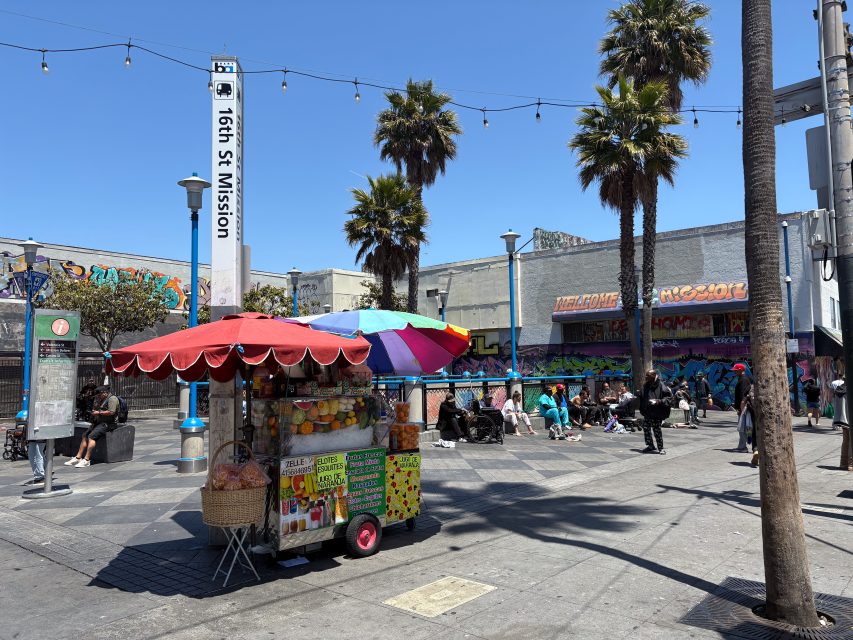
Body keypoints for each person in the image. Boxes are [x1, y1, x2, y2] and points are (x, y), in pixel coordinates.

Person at [65, 386, 120, 468]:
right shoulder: (101, 399)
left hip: (108, 424)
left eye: (99, 395)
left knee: (91, 437)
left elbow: (111, 412)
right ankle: (78, 458)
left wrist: (98, 413)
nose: (98, 396)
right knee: (85, 435)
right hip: (99, 422)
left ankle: (87, 460)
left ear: (104, 393)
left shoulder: (112, 399)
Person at [640, 369, 672, 454]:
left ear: (653, 376)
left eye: (648, 376)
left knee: (656, 429)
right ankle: (650, 445)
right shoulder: (646, 385)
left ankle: (660, 448)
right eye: (646, 375)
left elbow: (668, 399)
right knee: (646, 428)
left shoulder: (661, 385)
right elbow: (643, 396)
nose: (646, 377)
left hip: (657, 412)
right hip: (648, 411)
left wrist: (658, 401)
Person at [830, 378, 852, 470]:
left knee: (846, 441)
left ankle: (843, 463)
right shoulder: (849, 390)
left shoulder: (840, 389)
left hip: (842, 420)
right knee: (851, 442)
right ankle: (851, 464)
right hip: (849, 419)